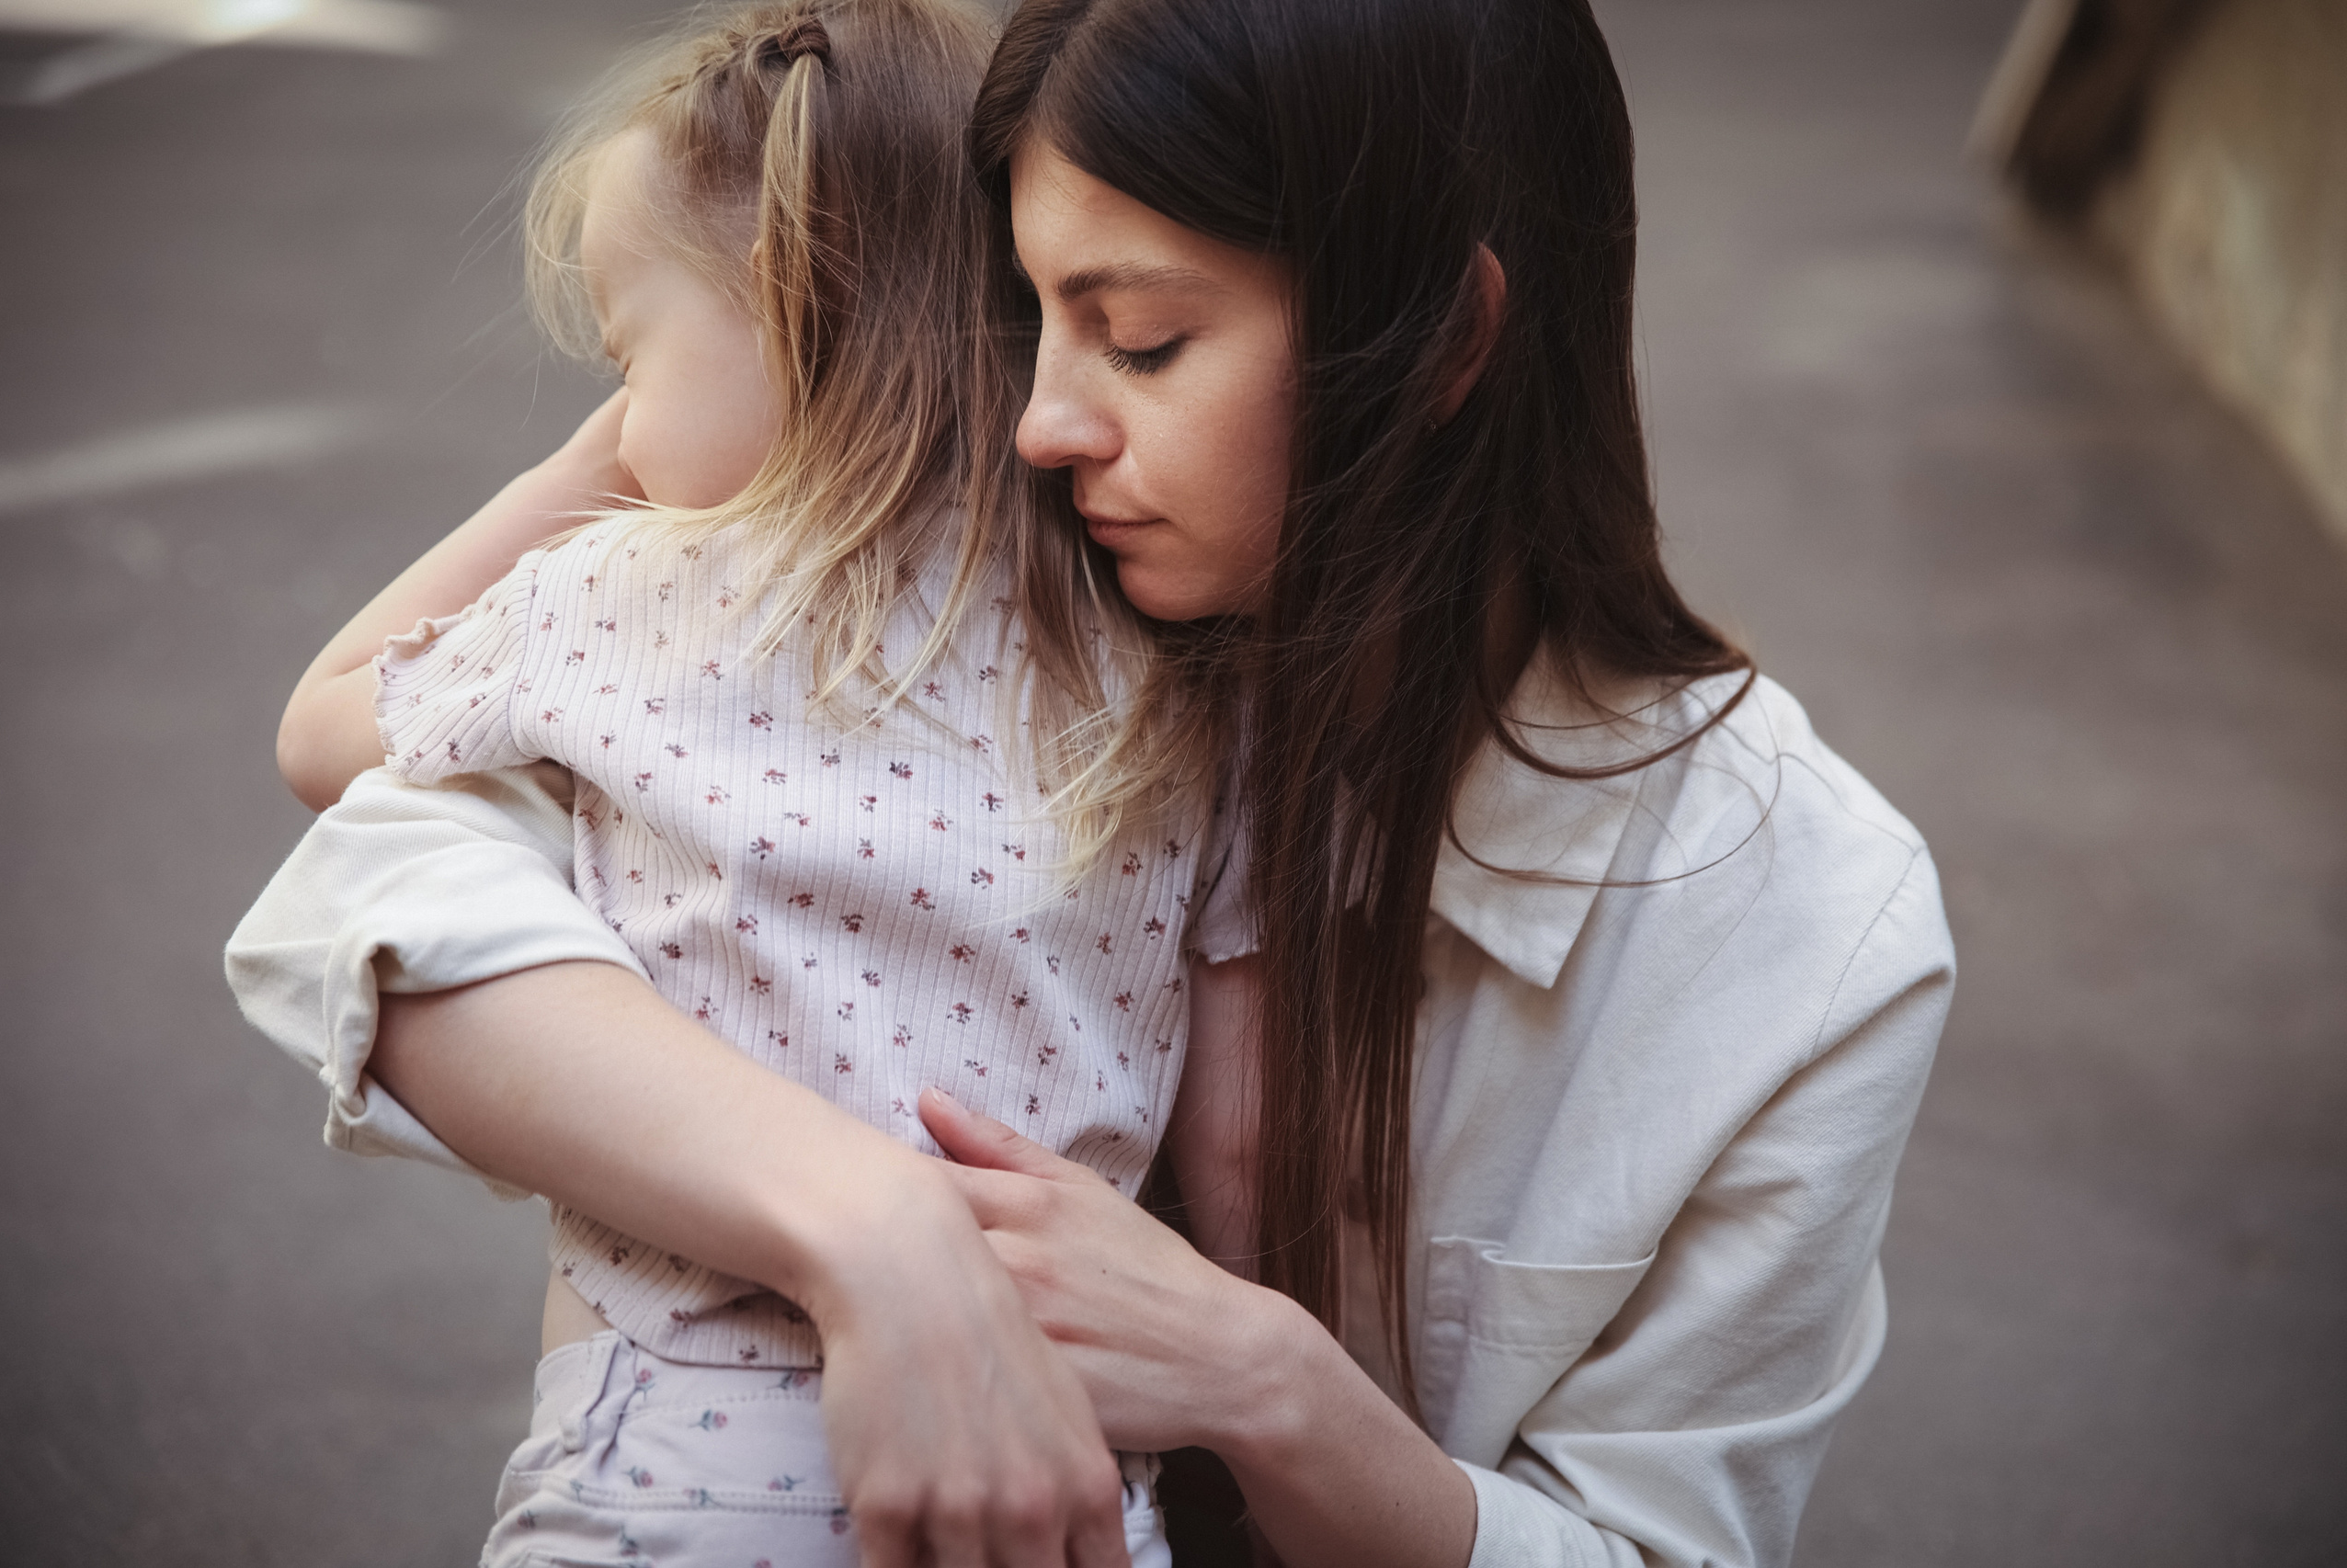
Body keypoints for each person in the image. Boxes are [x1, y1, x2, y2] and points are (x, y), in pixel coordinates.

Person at [231, 0, 1955, 1564]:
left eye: (1135, 339)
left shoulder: (1807, 932)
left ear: (1440, 342)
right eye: (1027, 315)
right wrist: (871, 1228)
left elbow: (1662, 1543)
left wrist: (1271, 1380)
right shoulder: (970, 588)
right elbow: (380, 891)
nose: (1041, 421)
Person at [247, 1, 1203, 1562]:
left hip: (679, 1464)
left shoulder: (643, 594)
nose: (624, 421)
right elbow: (1224, 1122)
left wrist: (574, 480)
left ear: (779, 303)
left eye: (630, 360)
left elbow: (324, 726)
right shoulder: (1143, 656)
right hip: (1061, 1463)